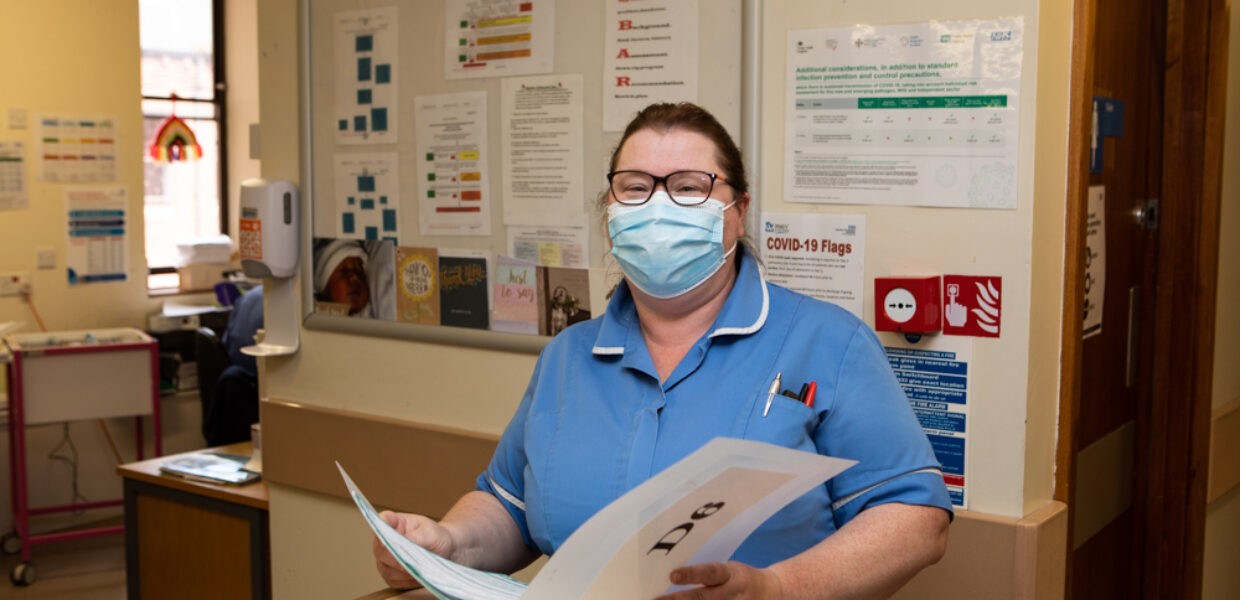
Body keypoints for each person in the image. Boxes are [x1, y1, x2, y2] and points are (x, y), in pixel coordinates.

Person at [373, 103, 951, 598]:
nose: (658, 205)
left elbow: (914, 520)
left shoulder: (827, 341)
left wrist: (779, 589)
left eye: (689, 186)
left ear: (738, 210)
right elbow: (511, 508)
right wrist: (443, 544)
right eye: (635, 187)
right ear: (611, 211)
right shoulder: (569, 357)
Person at [313, 238, 396, 320]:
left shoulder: (377, 313)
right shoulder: (317, 319)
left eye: (360, 273)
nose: (355, 278)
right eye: (344, 272)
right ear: (324, 288)